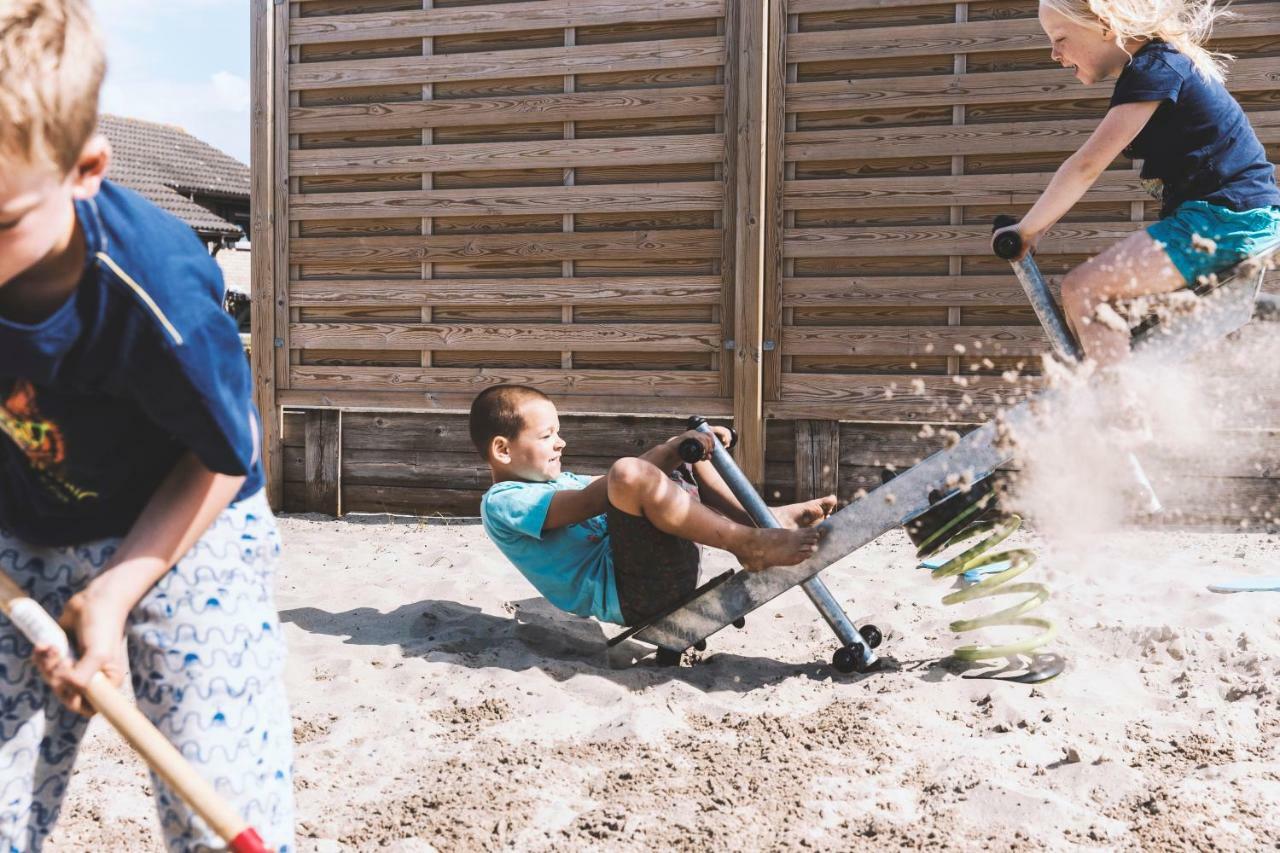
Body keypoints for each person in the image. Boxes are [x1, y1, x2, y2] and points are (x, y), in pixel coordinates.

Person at [0, 2, 294, 849]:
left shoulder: (156, 288)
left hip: (189, 520)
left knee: (214, 784)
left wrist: (116, 587)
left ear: (85, 168)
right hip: (25, 518)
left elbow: (224, 454)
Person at [994, 0, 1280, 366]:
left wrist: (1028, 230)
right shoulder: (1155, 67)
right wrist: (1031, 232)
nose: (1054, 53)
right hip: (1224, 217)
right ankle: (1124, 398)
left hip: (1226, 219)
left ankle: (1120, 416)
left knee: (1085, 291)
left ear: (1103, 24)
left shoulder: (1156, 67)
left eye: (1060, 38)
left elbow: (1086, 166)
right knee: (1092, 313)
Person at [470, 385, 833, 627]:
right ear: (503, 449)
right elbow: (593, 499)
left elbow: (626, 484)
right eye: (547, 435)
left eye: (558, 432)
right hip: (635, 594)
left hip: (656, 567)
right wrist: (671, 450)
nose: (561, 443)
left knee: (676, 458)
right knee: (633, 470)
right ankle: (748, 544)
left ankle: (765, 519)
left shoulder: (558, 481)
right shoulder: (503, 502)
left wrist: (685, 447)